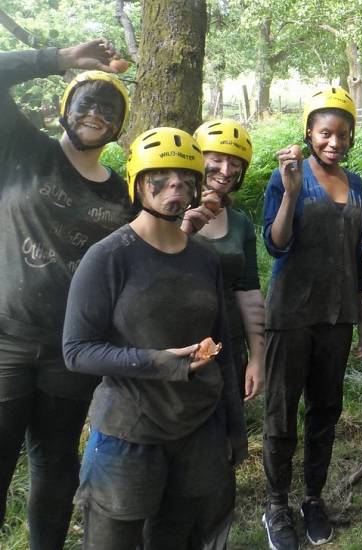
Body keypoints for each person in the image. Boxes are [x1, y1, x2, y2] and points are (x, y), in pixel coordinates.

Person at [63, 126, 247, 549]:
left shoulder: (204, 258)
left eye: (186, 180)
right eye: (159, 179)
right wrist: (158, 362)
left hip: (199, 430)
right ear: (138, 185)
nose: (175, 189)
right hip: (130, 433)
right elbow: (76, 351)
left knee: (180, 536)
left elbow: (224, 347)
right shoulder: (109, 256)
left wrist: (234, 429)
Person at [0, 39, 134, 549]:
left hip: (69, 353)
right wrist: (55, 59)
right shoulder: (21, 149)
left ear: (119, 126)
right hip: (5, 340)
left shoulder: (120, 193)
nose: (96, 112)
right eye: (86, 101)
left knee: (55, 466)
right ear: (66, 109)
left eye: (109, 107)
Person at [260, 87, 362, 549]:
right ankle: (276, 504)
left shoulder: (358, 183)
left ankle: (312, 498)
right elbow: (276, 244)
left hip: (338, 313)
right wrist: (288, 194)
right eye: (325, 132)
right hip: (291, 314)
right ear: (308, 132)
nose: (334, 142)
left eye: (343, 134)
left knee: (325, 409)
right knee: (281, 413)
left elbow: (356, 255)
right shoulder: (286, 176)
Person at [185, 119, 265, 550]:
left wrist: (257, 357)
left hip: (225, 352)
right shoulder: (165, 212)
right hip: (172, 356)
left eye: (235, 164)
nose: (226, 170)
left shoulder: (238, 223)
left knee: (220, 457)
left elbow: (248, 291)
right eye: (216, 160)